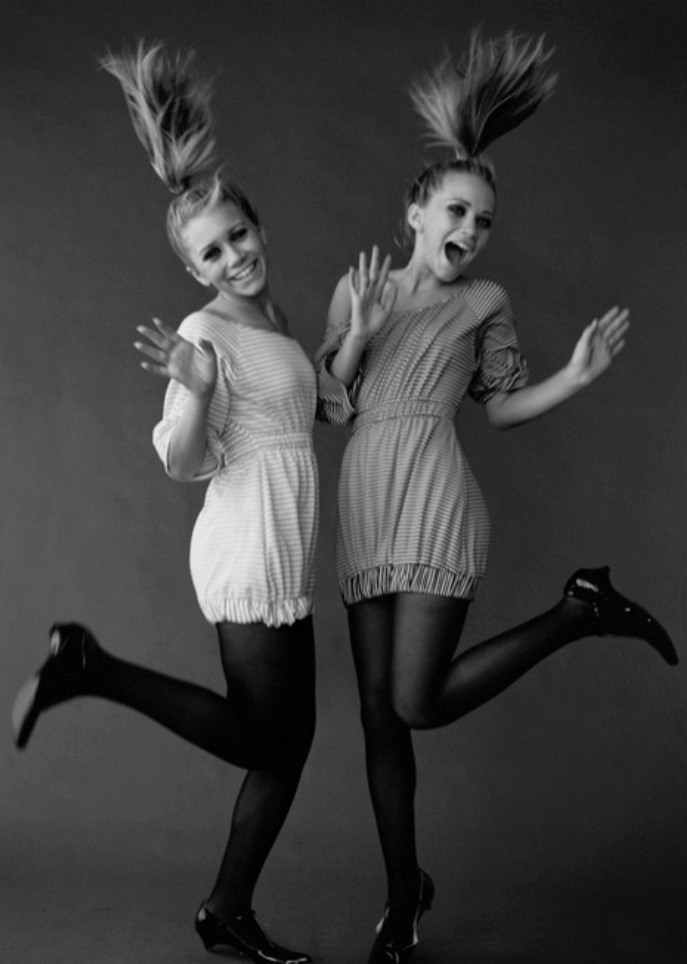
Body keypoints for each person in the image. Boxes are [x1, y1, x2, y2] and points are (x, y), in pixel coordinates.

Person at [314, 30, 678, 964]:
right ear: (415, 211)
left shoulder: (484, 303)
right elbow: (331, 404)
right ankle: (404, 898)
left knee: (415, 702)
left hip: (435, 500)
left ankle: (576, 611)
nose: (471, 233)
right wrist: (357, 331)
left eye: (483, 222)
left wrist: (573, 377)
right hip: (363, 510)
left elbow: (501, 408)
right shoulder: (358, 290)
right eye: (457, 212)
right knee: (377, 718)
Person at [11, 42, 317, 964]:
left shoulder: (274, 320)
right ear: (193, 269)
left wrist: (355, 348)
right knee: (269, 740)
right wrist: (198, 387)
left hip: (285, 540)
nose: (233, 256)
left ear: (258, 226)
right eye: (211, 252)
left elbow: (302, 412)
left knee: (282, 743)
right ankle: (90, 668)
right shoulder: (204, 331)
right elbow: (182, 463)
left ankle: (226, 911)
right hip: (248, 540)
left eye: (239, 235)